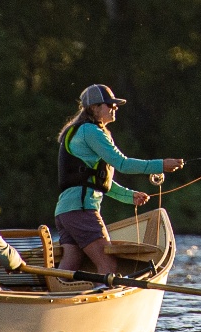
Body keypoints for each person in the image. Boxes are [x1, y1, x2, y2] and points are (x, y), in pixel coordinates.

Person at [55, 83, 181, 280]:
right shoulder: (91, 132)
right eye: (109, 104)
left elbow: (99, 182)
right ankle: (97, 304)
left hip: (65, 212)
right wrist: (160, 165)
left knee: (71, 261)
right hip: (81, 210)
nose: (115, 108)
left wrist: (130, 196)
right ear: (94, 108)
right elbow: (123, 164)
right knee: (108, 263)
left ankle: (53, 297)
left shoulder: (84, 131)